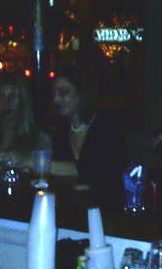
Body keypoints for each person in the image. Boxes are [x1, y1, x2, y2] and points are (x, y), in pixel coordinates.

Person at [51, 66, 128, 203]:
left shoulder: (106, 128)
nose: (56, 99)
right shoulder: (60, 131)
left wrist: (35, 162)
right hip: (70, 208)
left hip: (107, 209)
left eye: (63, 92)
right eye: (54, 93)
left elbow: (99, 173)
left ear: (82, 93)